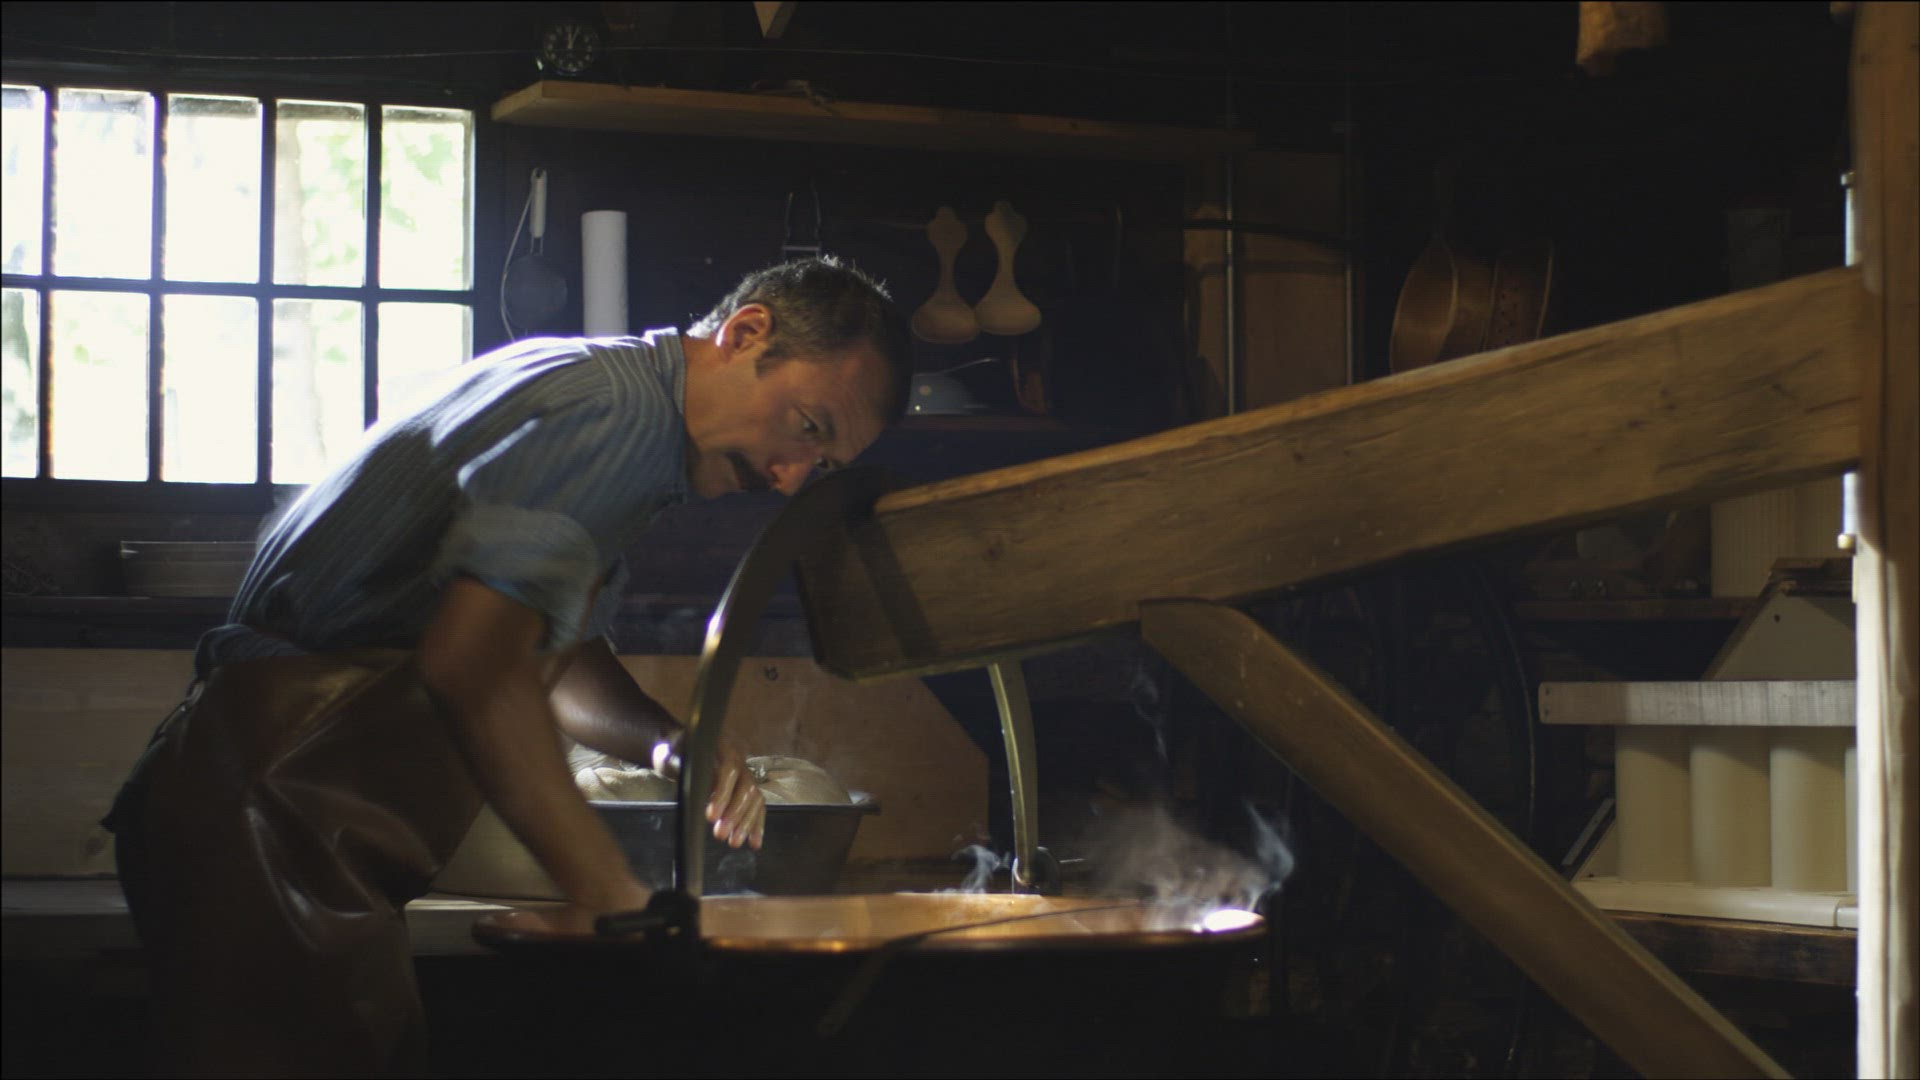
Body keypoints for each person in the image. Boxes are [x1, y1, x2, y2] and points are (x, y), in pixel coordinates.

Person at [104, 256, 914, 1077]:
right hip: (275, 813)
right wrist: (607, 890)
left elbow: (544, 650)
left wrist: (673, 746)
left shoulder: (613, 400)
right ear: (746, 334)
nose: (788, 479)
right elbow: (477, 666)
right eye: (806, 428)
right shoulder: (617, 421)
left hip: (279, 813)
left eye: (822, 465)